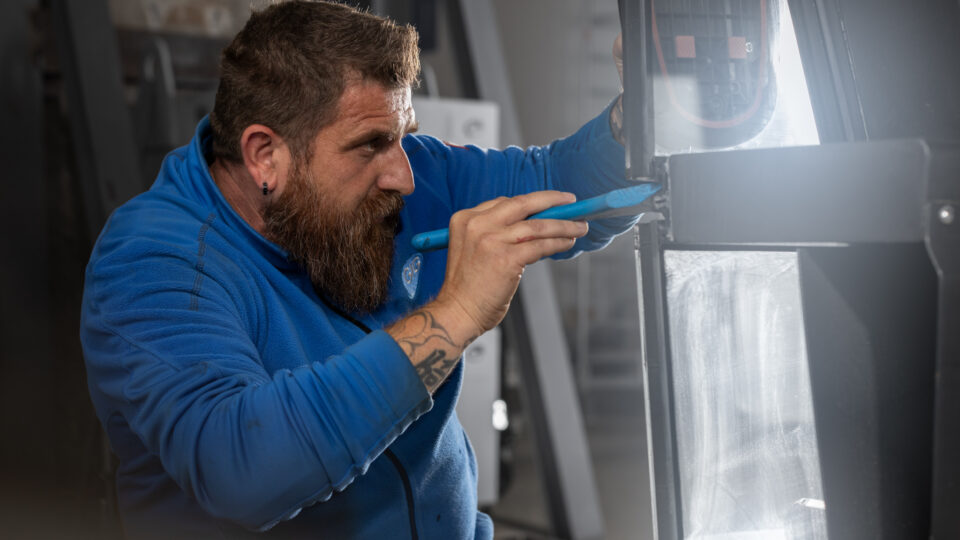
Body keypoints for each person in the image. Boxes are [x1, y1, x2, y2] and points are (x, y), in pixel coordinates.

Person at [80, 1, 632, 538]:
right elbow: (242, 469)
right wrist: (456, 313)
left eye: (402, 135)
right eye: (371, 144)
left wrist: (636, 120)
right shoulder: (154, 262)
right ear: (265, 156)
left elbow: (560, 189)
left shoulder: (408, 177)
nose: (404, 176)